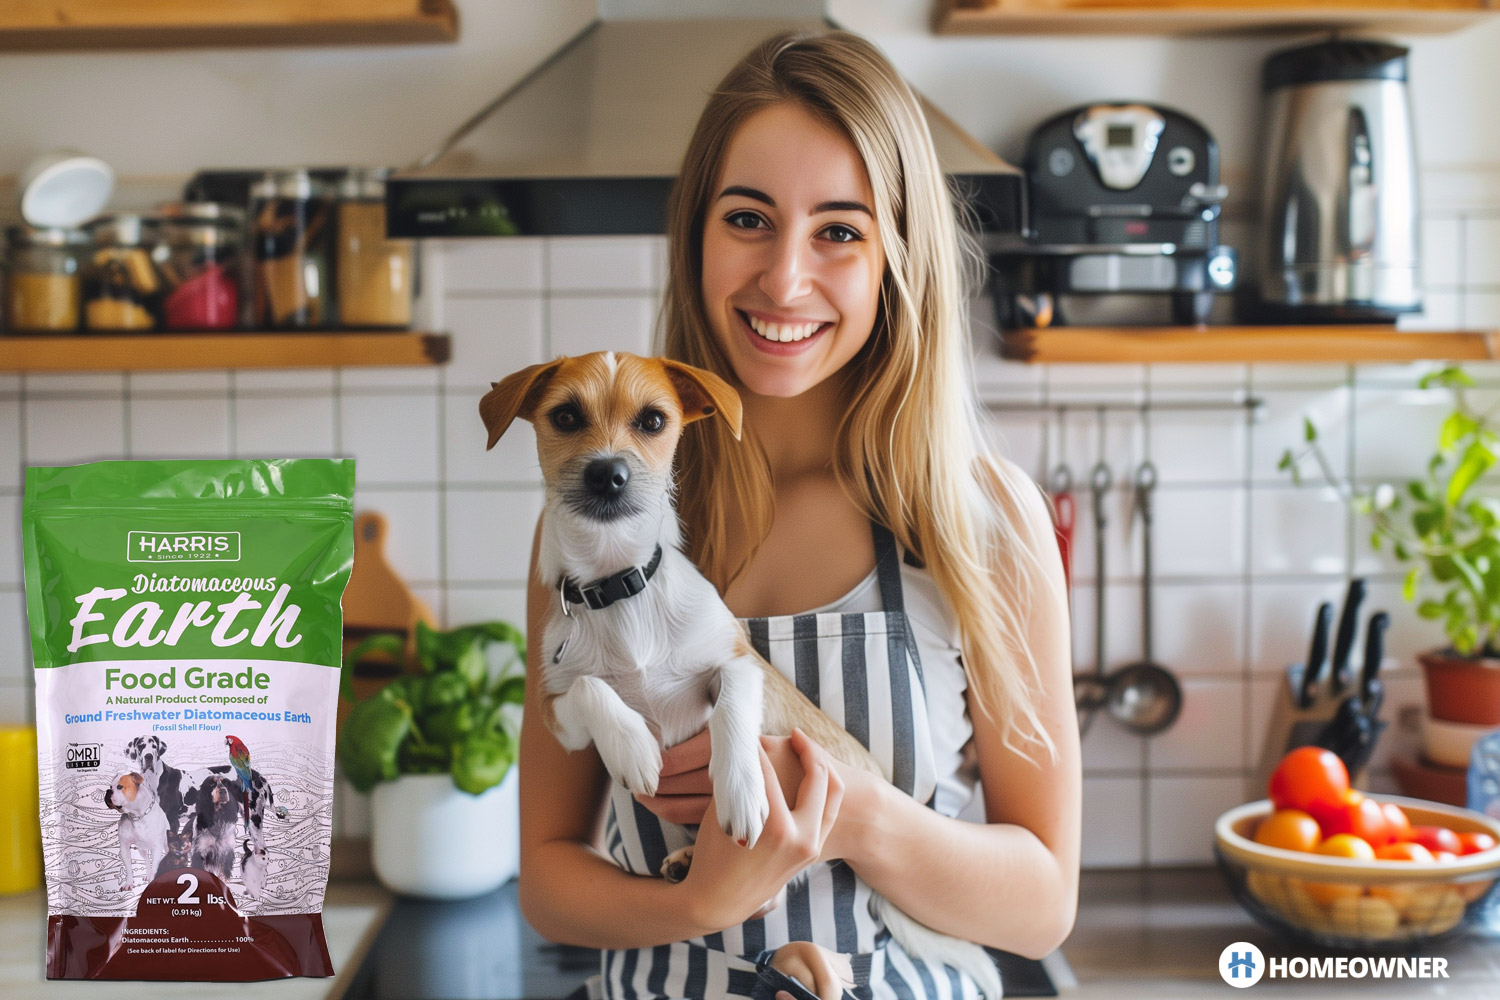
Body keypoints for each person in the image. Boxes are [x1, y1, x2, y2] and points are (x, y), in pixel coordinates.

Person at [516, 29, 1079, 1000]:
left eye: (839, 230)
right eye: (748, 219)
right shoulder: (602, 528)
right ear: (695, 233)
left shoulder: (979, 517)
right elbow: (548, 870)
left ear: (897, 255)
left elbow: (1042, 901)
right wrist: (694, 905)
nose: (783, 279)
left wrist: (854, 811)